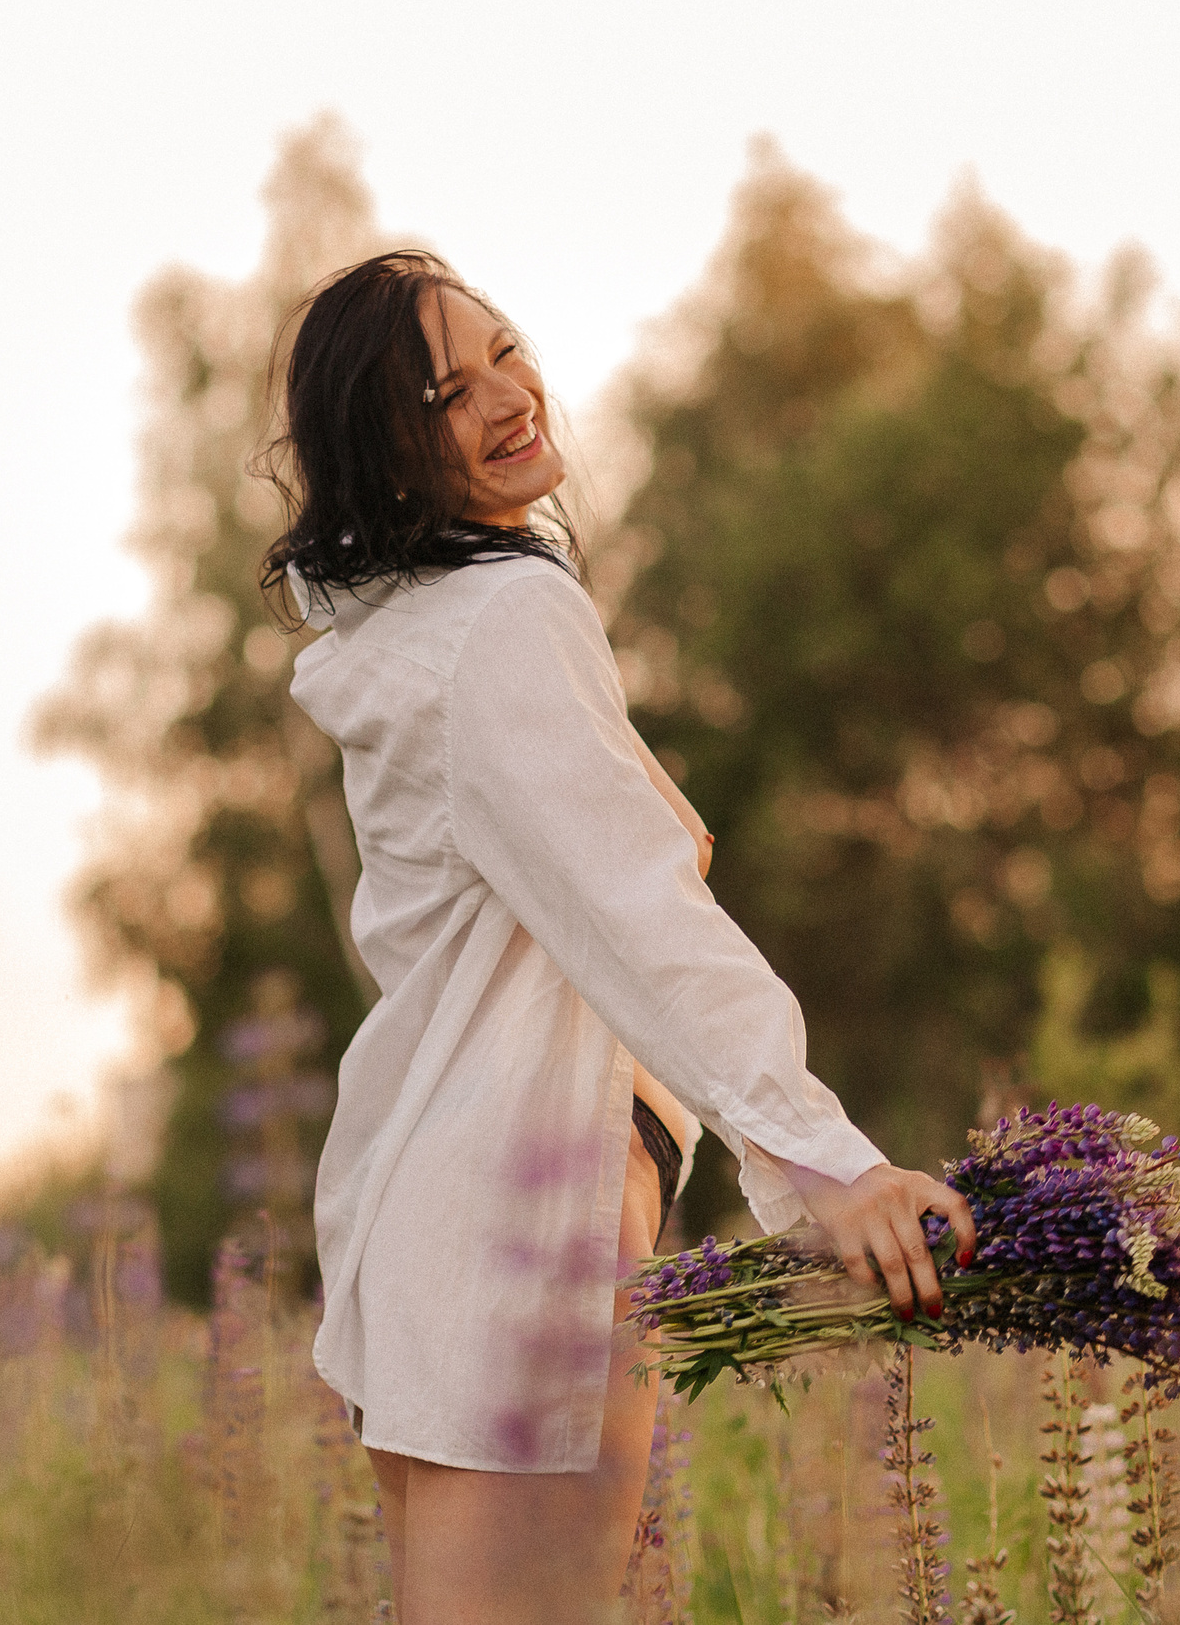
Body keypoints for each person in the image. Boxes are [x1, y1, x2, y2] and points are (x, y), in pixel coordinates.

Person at [262, 249, 975, 1624]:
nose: (505, 400)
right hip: (517, 1236)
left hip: (441, 1237)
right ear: (389, 453)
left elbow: (611, 883)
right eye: (439, 395)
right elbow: (649, 918)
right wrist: (827, 1164)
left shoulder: (431, 630)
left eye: (503, 354)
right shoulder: (502, 623)